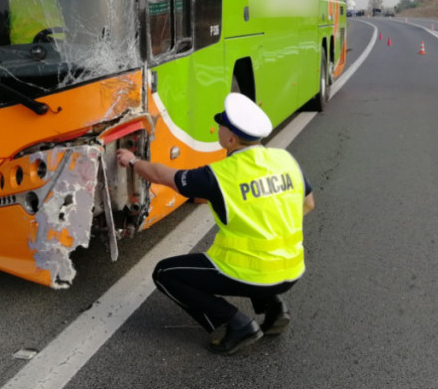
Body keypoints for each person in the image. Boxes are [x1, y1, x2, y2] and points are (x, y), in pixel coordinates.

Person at [116, 93, 315, 356]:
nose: (218, 128)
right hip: (292, 269)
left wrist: (132, 161)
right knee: (259, 262)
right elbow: (309, 203)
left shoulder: (219, 175)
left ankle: (235, 324)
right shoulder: (285, 160)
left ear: (230, 139)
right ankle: (274, 308)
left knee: (165, 273)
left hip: (252, 274)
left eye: (221, 125)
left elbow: (165, 176)